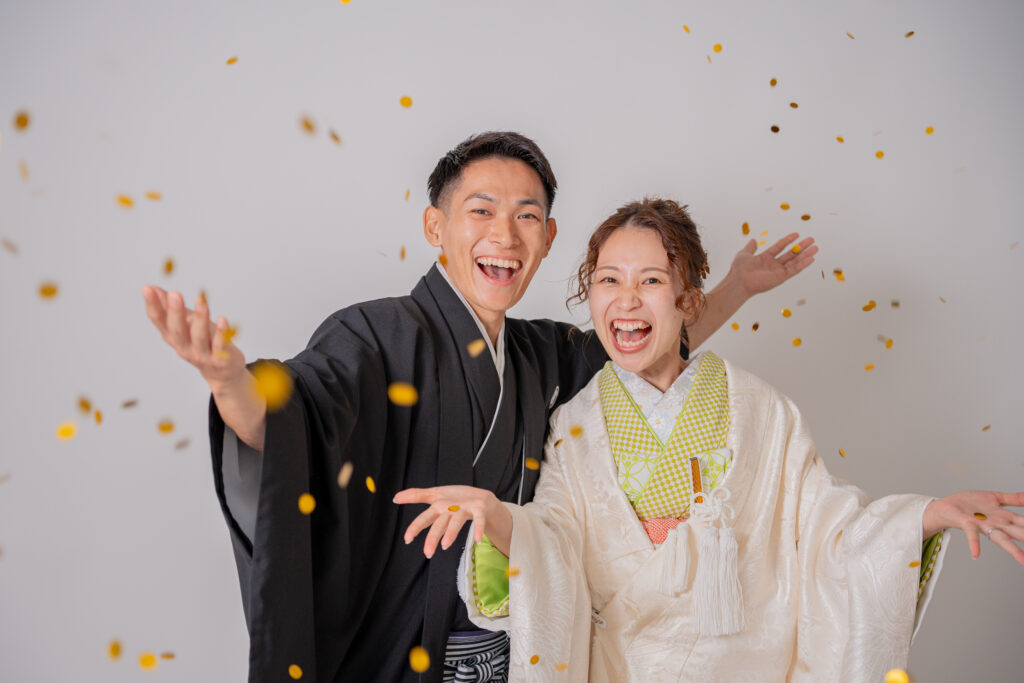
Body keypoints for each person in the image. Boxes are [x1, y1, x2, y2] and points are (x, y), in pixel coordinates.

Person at [140, 133, 817, 682]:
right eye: (482, 211)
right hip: (399, 655)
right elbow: (296, 419)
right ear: (435, 225)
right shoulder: (374, 335)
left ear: (548, 236)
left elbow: (642, 340)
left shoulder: (540, 354)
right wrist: (230, 382)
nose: (506, 235)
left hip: (517, 658)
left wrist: (735, 287)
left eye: (527, 216)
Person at [396, 197, 1024, 682]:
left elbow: (828, 529)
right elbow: (554, 538)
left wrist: (923, 517)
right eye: (608, 280)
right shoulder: (576, 421)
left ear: (688, 301)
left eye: (650, 281)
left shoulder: (762, 409)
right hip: (622, 666)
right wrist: (500, 520)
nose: (626, 300)